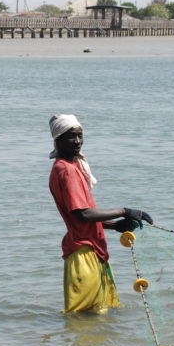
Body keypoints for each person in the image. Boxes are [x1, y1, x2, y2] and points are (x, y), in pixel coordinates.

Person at [48, 114, 153, 314]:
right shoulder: (66, 171)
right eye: (71, 137)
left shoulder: (72, 167)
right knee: (85, 317)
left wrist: (115, 225)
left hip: (92, 249)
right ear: (58, 139)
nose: (78, 141)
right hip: (83, 253)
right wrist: (126, 210)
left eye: (80, 136)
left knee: (99, 314)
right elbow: (84, 215)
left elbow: (79, 217)